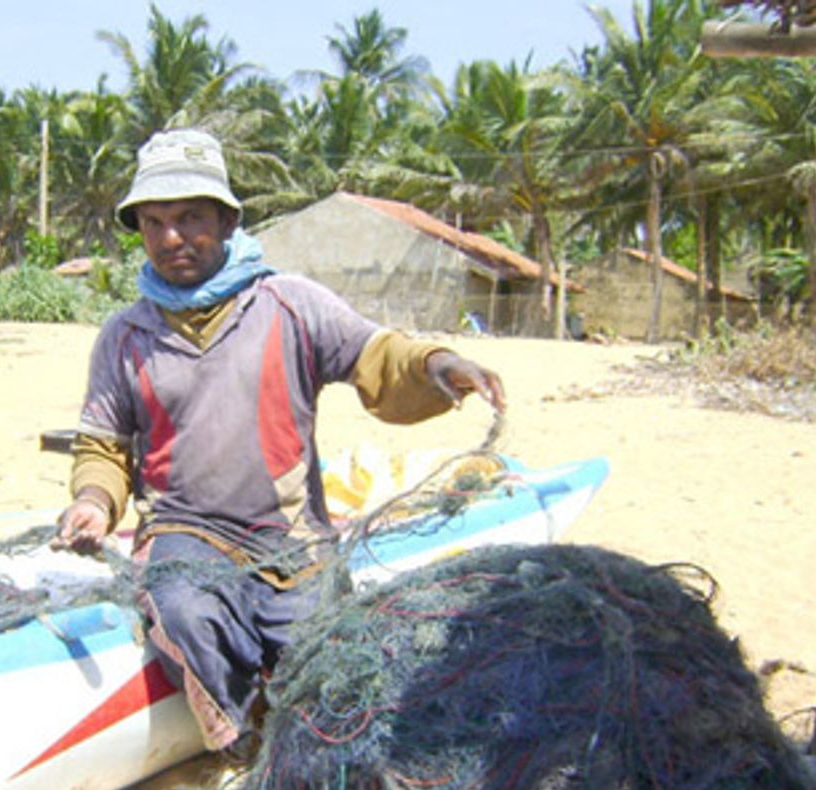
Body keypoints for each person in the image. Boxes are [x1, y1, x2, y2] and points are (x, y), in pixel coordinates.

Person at [52, 128, 505, 751]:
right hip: (186, 534)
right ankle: (238, 744)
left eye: (190, 218)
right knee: (183, 610)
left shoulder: (291, 305)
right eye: (154, 223)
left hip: (290, 538)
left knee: (320, 651)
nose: (172, 238)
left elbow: (378, 354)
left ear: (229, 219)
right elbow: (102, 447)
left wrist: (437, 363)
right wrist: (93, 505)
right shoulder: (124, 336)